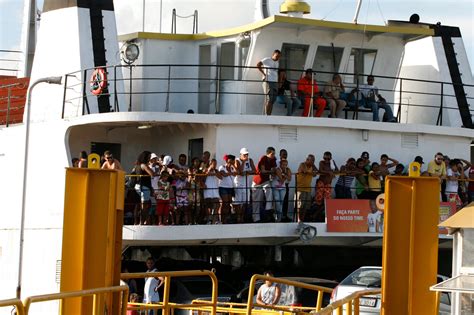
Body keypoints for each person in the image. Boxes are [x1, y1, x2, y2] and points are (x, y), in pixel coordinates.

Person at [252, 147, 277, 222]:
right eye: (272, 154)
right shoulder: (263, 158)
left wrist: (272, 172)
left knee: (269, 190)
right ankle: (256, 219)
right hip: (257, 182)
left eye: (274, 154)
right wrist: (271, 172)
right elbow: (263, 171)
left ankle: (268, 208)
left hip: (265, 180)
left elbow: (274, 169)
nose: (273, 155)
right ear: (268, 154)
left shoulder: (273, 159)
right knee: (256, 201)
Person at [234, 148, 256, 223]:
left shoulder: (250, 160)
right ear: (241, 154)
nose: (246, 156)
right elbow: (240, 171)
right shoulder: (237, 160)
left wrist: (247, 172)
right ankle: (238, 217)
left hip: (247, 184)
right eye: (244, 155)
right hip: (239, 184)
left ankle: (242, 217)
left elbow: (254, 170)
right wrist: (243, 162)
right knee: (238, 202)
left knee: (244, 202)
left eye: (247, 154)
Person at [257, 50, 281, 115]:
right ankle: (267, 116)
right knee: (269, 99)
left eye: (279, 57)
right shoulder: (267, 60)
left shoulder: (277, 62)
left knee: (273, 99)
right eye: (276, 56)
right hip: (268, 81)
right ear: (273, 55)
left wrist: (278, 82)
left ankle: (269, 115)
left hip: (275, 82)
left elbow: (276, 72)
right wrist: (264, 74)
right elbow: (258, 65)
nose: (277, 58)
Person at [135, 151, 156, 225]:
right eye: (149, 157)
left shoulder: (137, 165)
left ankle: (140, 221)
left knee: (142, 205)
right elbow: (152, 174)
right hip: (144, 187)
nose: (150, 158)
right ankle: (142, 222)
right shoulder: (143, 165)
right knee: (144, 206)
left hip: (138, 186)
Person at [296, 154, 318, 223]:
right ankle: (299, 219)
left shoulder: (312, 167)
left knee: (306, 206)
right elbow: (305, 171)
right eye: (312, 160)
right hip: (300, 188)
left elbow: (316, 173)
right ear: (307, 160)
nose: (313, 162)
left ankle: (303, 219)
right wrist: (313, 171)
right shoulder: (302, 164)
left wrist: (313, 165)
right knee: (300, 205)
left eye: (314, 161)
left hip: (308, 189)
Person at [218, 154, 236, 224]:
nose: (233, 161)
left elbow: (236, 173)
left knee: (228, 204)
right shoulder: (222, 167)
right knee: (224, 204)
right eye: (232, 159)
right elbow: (223, 174)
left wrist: (233, 166)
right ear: (228, 160)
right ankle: (221, 219)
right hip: (223, 187)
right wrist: (231, 172)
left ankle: (225, 219)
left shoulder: (232, 168)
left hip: (230, 188)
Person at [203, 159, 222, 224]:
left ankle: (214, 219)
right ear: (210, 164)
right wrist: (208, 172)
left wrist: (214, 173)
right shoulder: (205, 170)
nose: (215, 165)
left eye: (216, 164)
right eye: (214, 164)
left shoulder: (216, 171)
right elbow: (203, 179)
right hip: (208, 190)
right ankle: (209, 219)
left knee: (218, 204)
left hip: (215, 190)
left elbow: (221, 177)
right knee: (208, 205)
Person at [279, 149, 292, 222]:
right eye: (283, 154)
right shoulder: (277, 163)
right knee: (279, 201)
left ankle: (284, 216)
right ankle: (278, 216)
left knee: (285, 201)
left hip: (286, 184)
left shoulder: (287, 163)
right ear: (280, 155)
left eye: (286, 154)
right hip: (278, 185)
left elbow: (288, 175)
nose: (285, 156)